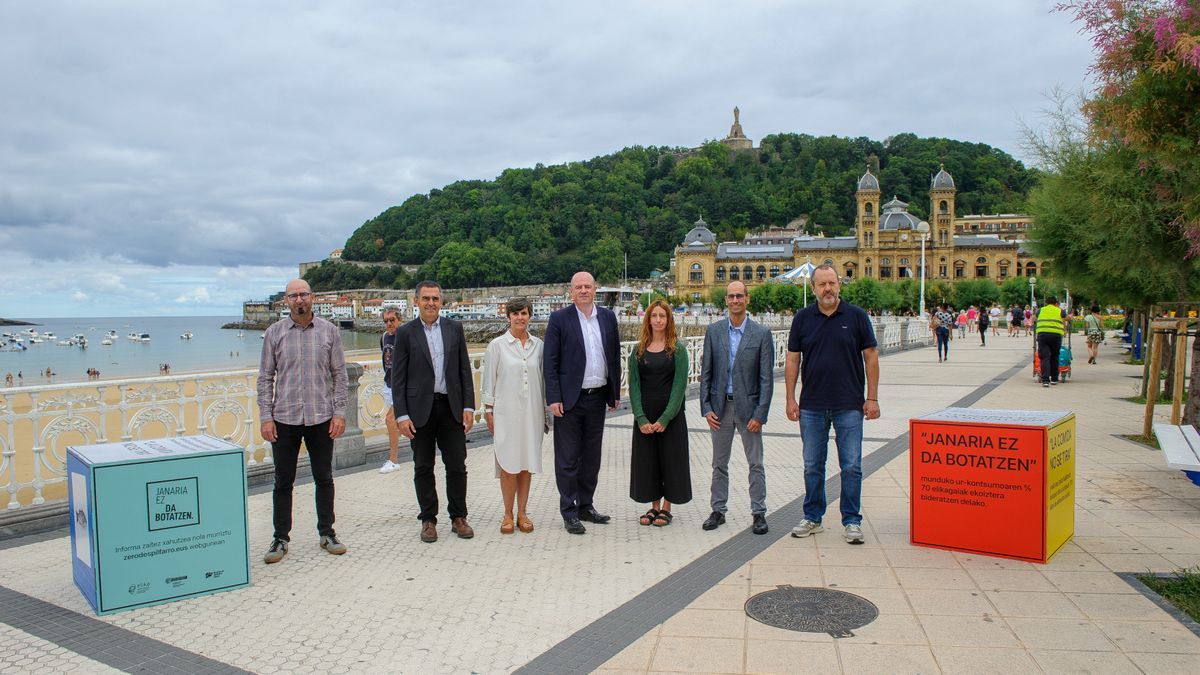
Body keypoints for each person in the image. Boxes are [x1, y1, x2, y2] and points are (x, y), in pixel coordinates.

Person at [785, 265, 880, 544]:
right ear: (813, 288)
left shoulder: (857, 316)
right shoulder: (802, 318)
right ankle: (813, 516)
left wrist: (871, 398)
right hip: (812, 404)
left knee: (851, 465)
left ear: (839, 285)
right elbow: (793, 359)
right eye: (821, 284)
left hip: (849, 403)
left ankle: (851, 520)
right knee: (812, 465)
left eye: (832, 283)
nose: (827, 289)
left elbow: (871, 356)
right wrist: (790, 398)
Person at [256, 279, 349, 564]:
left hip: (321, 417)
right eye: (293, 295)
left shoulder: (329, 332)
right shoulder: (274, 333)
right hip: (284, 418)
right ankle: (280, 538)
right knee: (283, 481)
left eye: (304, 294)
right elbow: (265, 378)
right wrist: (265, 416)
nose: (299, 300)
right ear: (286, 301)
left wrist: (339, 412)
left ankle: (327, 532)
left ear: (313, 298)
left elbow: (340, 375)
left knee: (324, 478)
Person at [392, 281, 476, 543]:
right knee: (423, 466)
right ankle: (428, 519)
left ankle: (458, 517)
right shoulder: (406, 332)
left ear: (442, 302)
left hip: (450, 407)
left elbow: (464, 370)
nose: (431, 303)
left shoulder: (454, 328)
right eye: (426, 298)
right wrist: (402, 415)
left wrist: (468, 406)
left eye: (435, 299)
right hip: (419, 411)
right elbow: (399, 377)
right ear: (416, 301)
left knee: (456, 465)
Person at [543, 271, 621, 535]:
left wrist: (614, 393)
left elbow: (614, 354)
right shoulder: (559, 319)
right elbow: (550, 362)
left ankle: (586, 505)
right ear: (571, 291)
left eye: (588, 286)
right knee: (567, 459)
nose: (584, 290)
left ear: (595, 289)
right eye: (579, 287)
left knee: (591, 457)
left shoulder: (608, 317)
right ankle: (569, 510)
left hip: (597, 397)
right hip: (569, 401)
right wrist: (553, 398)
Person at [699, 280, 774, 535]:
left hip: (749, 410)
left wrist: (760, 414)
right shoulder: (714, 331)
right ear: (726, 301)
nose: (735, 301)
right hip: (720, 409)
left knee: (756, 463)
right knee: (719, 463)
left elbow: (766, 378)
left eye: (739, 296)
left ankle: (758, 512)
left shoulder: (761, 334)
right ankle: (718, 510)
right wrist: (706, 407)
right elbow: (705, 373)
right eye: (731, 296)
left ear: (747, 299)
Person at [481, 298, 545, 535]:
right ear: (508, 317)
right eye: (515, 313)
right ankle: (507, 513)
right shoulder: (497, 346)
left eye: (524, 313)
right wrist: (488, 410)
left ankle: (522, 512)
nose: (520, 317)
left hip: (532, 412)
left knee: (526, 463)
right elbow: (488, 381)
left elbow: (543, 380)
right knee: (508, 464)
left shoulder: (539, 345)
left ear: (530, 316)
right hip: (506, 413)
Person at [628, 300, 691, 527]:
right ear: (648, 320)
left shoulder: (678, 350)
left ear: (668, 320)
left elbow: (679, 386)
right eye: (654, 316)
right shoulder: (639, 350)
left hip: (671, 416)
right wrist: (641, 417)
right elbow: (634, 386)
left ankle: (666, 507)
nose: (658, 320)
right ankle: (654, 505)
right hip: (646, 414)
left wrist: (665, 418)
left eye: (662, 316)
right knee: (648, 462)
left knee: (671, 461)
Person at [378, 308, 403, 474]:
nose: (389, 324)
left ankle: (393, 460)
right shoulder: (384, 337)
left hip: (401, 386)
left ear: (399, 319)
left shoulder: (405, 336)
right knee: (401, 423)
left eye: (392, 320)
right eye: (386, 321)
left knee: (390, 419)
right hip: (389, 384)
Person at [1035, 296, 1066, 387]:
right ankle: (1054, 379)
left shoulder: (1040, 310)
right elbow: (1066, 318)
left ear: (1046, 303)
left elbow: (1034, 318)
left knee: (1045, 357)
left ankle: (1045, 380)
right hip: (1055, 335)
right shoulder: (1059, 310)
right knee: (1054, 356)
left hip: (1042, 335)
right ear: (1056, 303)